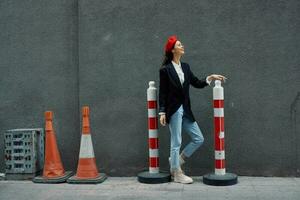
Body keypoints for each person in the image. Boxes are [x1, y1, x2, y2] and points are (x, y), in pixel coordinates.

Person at [159, 35, 227, 184]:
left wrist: (210, 77)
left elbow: (196, 82)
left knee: (198, 138)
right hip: (174, 109)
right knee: (176, 141)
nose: (182, 46)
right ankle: (176, 173)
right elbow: (162, 92)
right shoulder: (165, 70)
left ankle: (176, 161)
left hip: (186, 109)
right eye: (179, 45)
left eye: (181, 44)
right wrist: (162, 111)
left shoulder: (185, 67)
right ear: (172, 50)